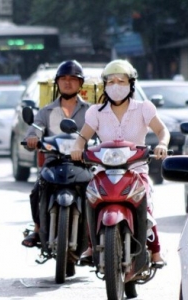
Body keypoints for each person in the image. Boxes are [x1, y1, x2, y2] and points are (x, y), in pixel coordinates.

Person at [70, 59, 170, 266]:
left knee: (146, 204)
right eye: (111, 81)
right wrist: (77, 147)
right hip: (103, 170)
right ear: (105, 85)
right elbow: (82, 137)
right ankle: (90, 245)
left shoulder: (144, 108)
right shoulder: (95, 112)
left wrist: (162, 144)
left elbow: (162, 130)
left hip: (136, 169)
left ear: (131, 84)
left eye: (121, 81)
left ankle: (155, 250)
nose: (116, 86)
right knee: (91, 199)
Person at [20, 60, 91, 252]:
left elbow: (101, 134)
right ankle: (37, 229)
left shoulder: (91, 111)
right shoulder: (46, 111)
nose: (68, 83)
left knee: (97, 194)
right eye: (63, 79)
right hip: (53, 163)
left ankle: (95, 234)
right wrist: (33, 138)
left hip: (83, 164)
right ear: (57, 83)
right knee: (36, 191)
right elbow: (35, 130)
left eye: (73, 79)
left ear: (80, 83)